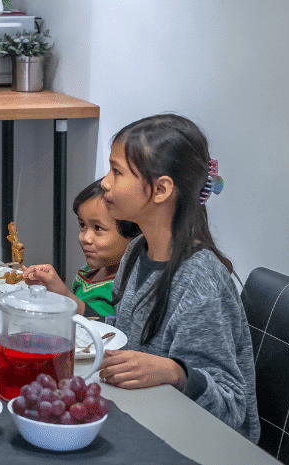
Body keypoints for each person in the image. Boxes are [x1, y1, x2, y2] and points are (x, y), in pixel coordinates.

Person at [97, 113, 260, 443]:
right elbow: (126, 335)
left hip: (203, 445)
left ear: (160, 189)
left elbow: (231, 407)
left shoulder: (201, 282)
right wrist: (73, 310)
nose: (105, 183)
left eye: (117, 172)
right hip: (148, 418)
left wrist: (175, 373)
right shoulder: (136, 251)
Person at [23, 179, 141, 318]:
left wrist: (65, 295)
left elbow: (108, 329)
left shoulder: (129, 288)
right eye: (83, 225)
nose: (85, 238)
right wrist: (47, 288)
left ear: (135, 233)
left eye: (98, 228)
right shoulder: (88, 271)